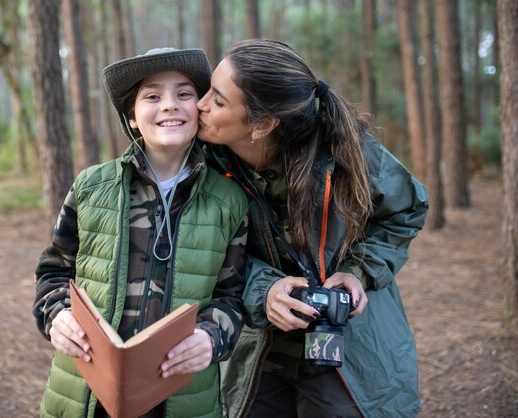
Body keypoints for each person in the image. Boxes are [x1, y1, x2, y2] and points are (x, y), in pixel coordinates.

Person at [197, 39, 428, 418]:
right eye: (209, 91)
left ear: (262, 124)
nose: (201, 105)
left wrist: (357, 272)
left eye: (218, 101)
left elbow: (406, 209)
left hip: (348, 340)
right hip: (259, 344)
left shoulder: (346, 151)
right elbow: (205, 250)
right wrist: (264, 288)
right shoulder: (203, 165)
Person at [32, 48, 249, 418]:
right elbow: (53, 272)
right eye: (152, 96)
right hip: (85, 390)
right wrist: (56, 316)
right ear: (132, 117)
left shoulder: (228, 200)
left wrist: (211, 338)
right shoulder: (91, 186)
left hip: (181, 394)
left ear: (201, 108)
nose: (169, 105)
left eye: (184, 94)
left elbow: (233, 296)